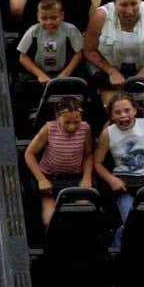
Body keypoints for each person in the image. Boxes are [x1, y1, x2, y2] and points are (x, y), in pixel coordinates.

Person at [94, 91, 144, 247]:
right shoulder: (107, 134)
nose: (123, 115)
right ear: (111, 115)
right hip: (125, 184)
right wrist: (111, 179)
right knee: (132, 222)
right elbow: (98, 163)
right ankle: (118, 247)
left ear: (135, 110)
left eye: (127, 110)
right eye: (117, 112)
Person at [24, 98, 93, 229]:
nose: (72, 127)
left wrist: (87, 177)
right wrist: (41, 179)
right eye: (67, 122)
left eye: (76, 122)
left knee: (83, 214)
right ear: (57, 116)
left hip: (74, 179)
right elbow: (29, 154)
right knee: (49, 220)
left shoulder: (85, 129)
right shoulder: (49, 128)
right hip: (50, 180)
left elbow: (88, 154)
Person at [16, 0, 84, 84]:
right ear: (38, 17)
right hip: (38, 73)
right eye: (44, 18)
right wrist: (40, 74)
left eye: (54, 18)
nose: (49, 23)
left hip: (63, 71)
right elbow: (22, 57)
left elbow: (78, 54)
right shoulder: (33, 31)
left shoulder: (70, 30)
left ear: (62, 16)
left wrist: (65, 74)